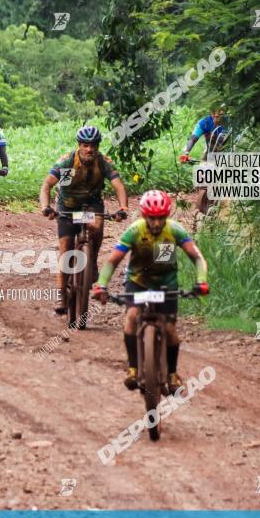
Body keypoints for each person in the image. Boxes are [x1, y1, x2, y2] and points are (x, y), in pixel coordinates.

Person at [91, 190, 209, 393]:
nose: (156, 223)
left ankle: (172, 374)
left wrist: (201, 281)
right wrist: (101, 284)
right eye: (152, 218)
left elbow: (197, 257)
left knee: (171, 329)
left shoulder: (174, 230)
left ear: (167, 215)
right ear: (144, 216)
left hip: (166, 282)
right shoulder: (135, 231)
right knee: (132, 317)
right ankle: (133, 369)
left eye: (161, 218)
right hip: (138, 281)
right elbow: (113, 261)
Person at [39, 125, 129, 315]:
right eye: (86, 145)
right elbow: (47, 184)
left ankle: (92, 261)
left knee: (97, 226)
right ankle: (62, 294)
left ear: (97, 146)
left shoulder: (103, 162)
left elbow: (118, 186)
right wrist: (46, 206)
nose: (89, 149)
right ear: (79, 145)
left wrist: (123, 208)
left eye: (93, 146)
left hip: (91, 204)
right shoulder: (68, 162)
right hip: (68, 205)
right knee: (65, 249)